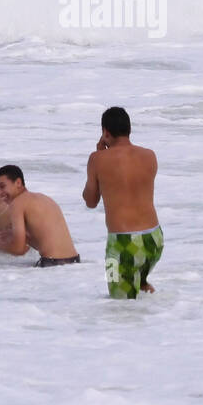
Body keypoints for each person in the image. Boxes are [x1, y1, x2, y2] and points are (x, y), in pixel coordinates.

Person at [83, 106, 162, 298]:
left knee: (120, 309)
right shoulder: (150, 155)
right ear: (129, 129)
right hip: (154, 240)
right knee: (142, 292)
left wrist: (98, 154)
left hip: (122, 244)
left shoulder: (97, 159)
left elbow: (90, 201)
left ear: (105, 133)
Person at [0, 165, 80, 267]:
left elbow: (19, 249)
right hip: (74, 263)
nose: (0, 193)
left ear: (18, 183)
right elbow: (46, 241)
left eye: (2, 186)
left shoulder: (17, 204)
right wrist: (22, 237)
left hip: (51, 265)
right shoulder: (43, 198)